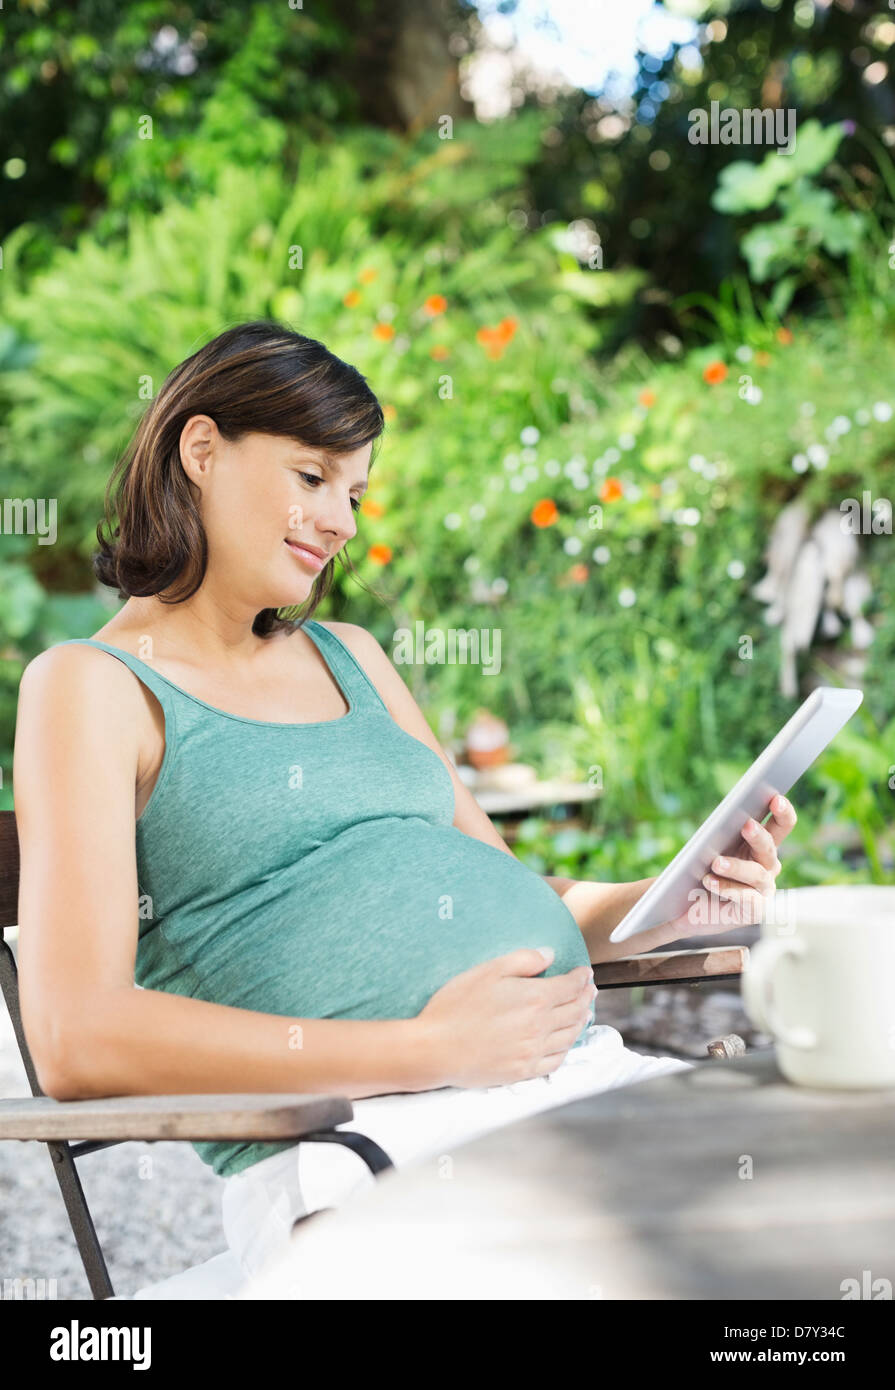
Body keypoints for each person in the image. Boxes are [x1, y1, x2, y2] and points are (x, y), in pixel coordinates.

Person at [12, 320, 797, 1284]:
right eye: (312, 478)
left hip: (579, 1085)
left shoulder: (353, 658)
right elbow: (76, 1036)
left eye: (354, 493)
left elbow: (507, 893)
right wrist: (428, 1049)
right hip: (377, 1143)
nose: (340, 521)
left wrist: (669, 902)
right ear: (201, 450)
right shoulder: (91, 686)